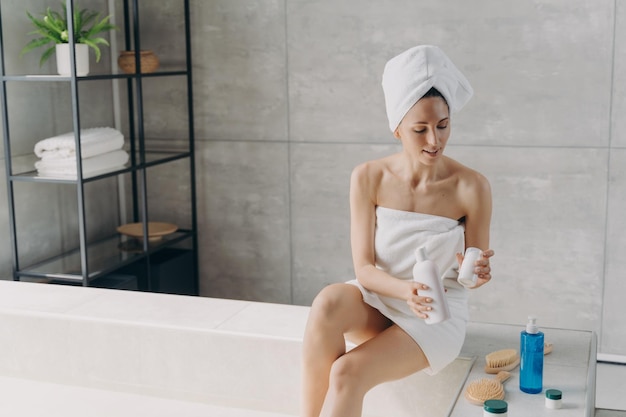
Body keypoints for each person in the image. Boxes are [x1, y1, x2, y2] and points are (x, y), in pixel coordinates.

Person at [301, 45, 495, 417]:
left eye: (443, 125)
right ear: (397, 128)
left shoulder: (473, 187)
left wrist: (478, 273)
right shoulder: (368, 177)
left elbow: (472, 271)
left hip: (436, 314)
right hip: (383, 296)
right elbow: (364, 269)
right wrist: (405, 290)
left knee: (347, 372)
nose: (434, 141)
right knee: (327, 301)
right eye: (419, 129)